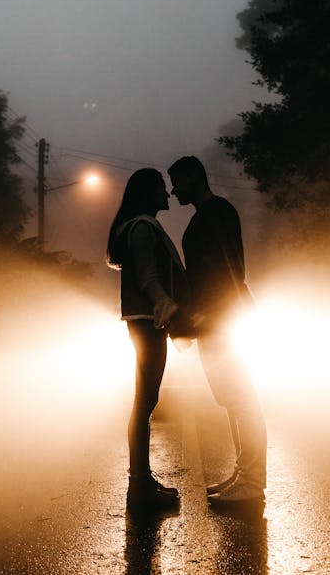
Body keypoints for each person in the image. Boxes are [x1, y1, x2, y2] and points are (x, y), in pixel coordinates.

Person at [167, 155, 267, 503]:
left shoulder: (219, 213)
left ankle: (253, 483)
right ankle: (244, 474)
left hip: (224, 320)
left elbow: (231, 270)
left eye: (177, 181)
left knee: (243, 399)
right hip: (214, 321)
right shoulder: (202, 218)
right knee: (231, 400)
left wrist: (212, 313)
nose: (173, 189)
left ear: (195, 176)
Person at [107, 168, 189, 508]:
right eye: (160, 188)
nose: (167, 194)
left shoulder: (141, 226)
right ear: (145, 193)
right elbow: (147, 275)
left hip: (146, 320)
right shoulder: (142, 227)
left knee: (146, 400)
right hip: (146, 321)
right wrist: (162, 303)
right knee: (145, 401)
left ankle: (140, 482)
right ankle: (139, 486)